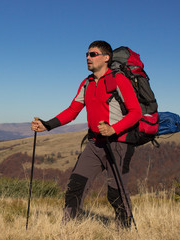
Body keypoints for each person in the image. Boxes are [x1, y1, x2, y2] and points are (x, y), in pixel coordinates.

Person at [31, 40, 142, 228]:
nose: (88, 58)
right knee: (76, 185)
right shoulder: (87, 82)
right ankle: (68, 229)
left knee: (116, 192)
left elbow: (136, 112)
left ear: (106, 58)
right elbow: (72, 111)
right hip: (95, 144)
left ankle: (124, 230)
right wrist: (47, 125)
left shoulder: (119, 80)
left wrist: (113, 129)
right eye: (87, 54)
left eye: (93, 54)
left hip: (119, 143)